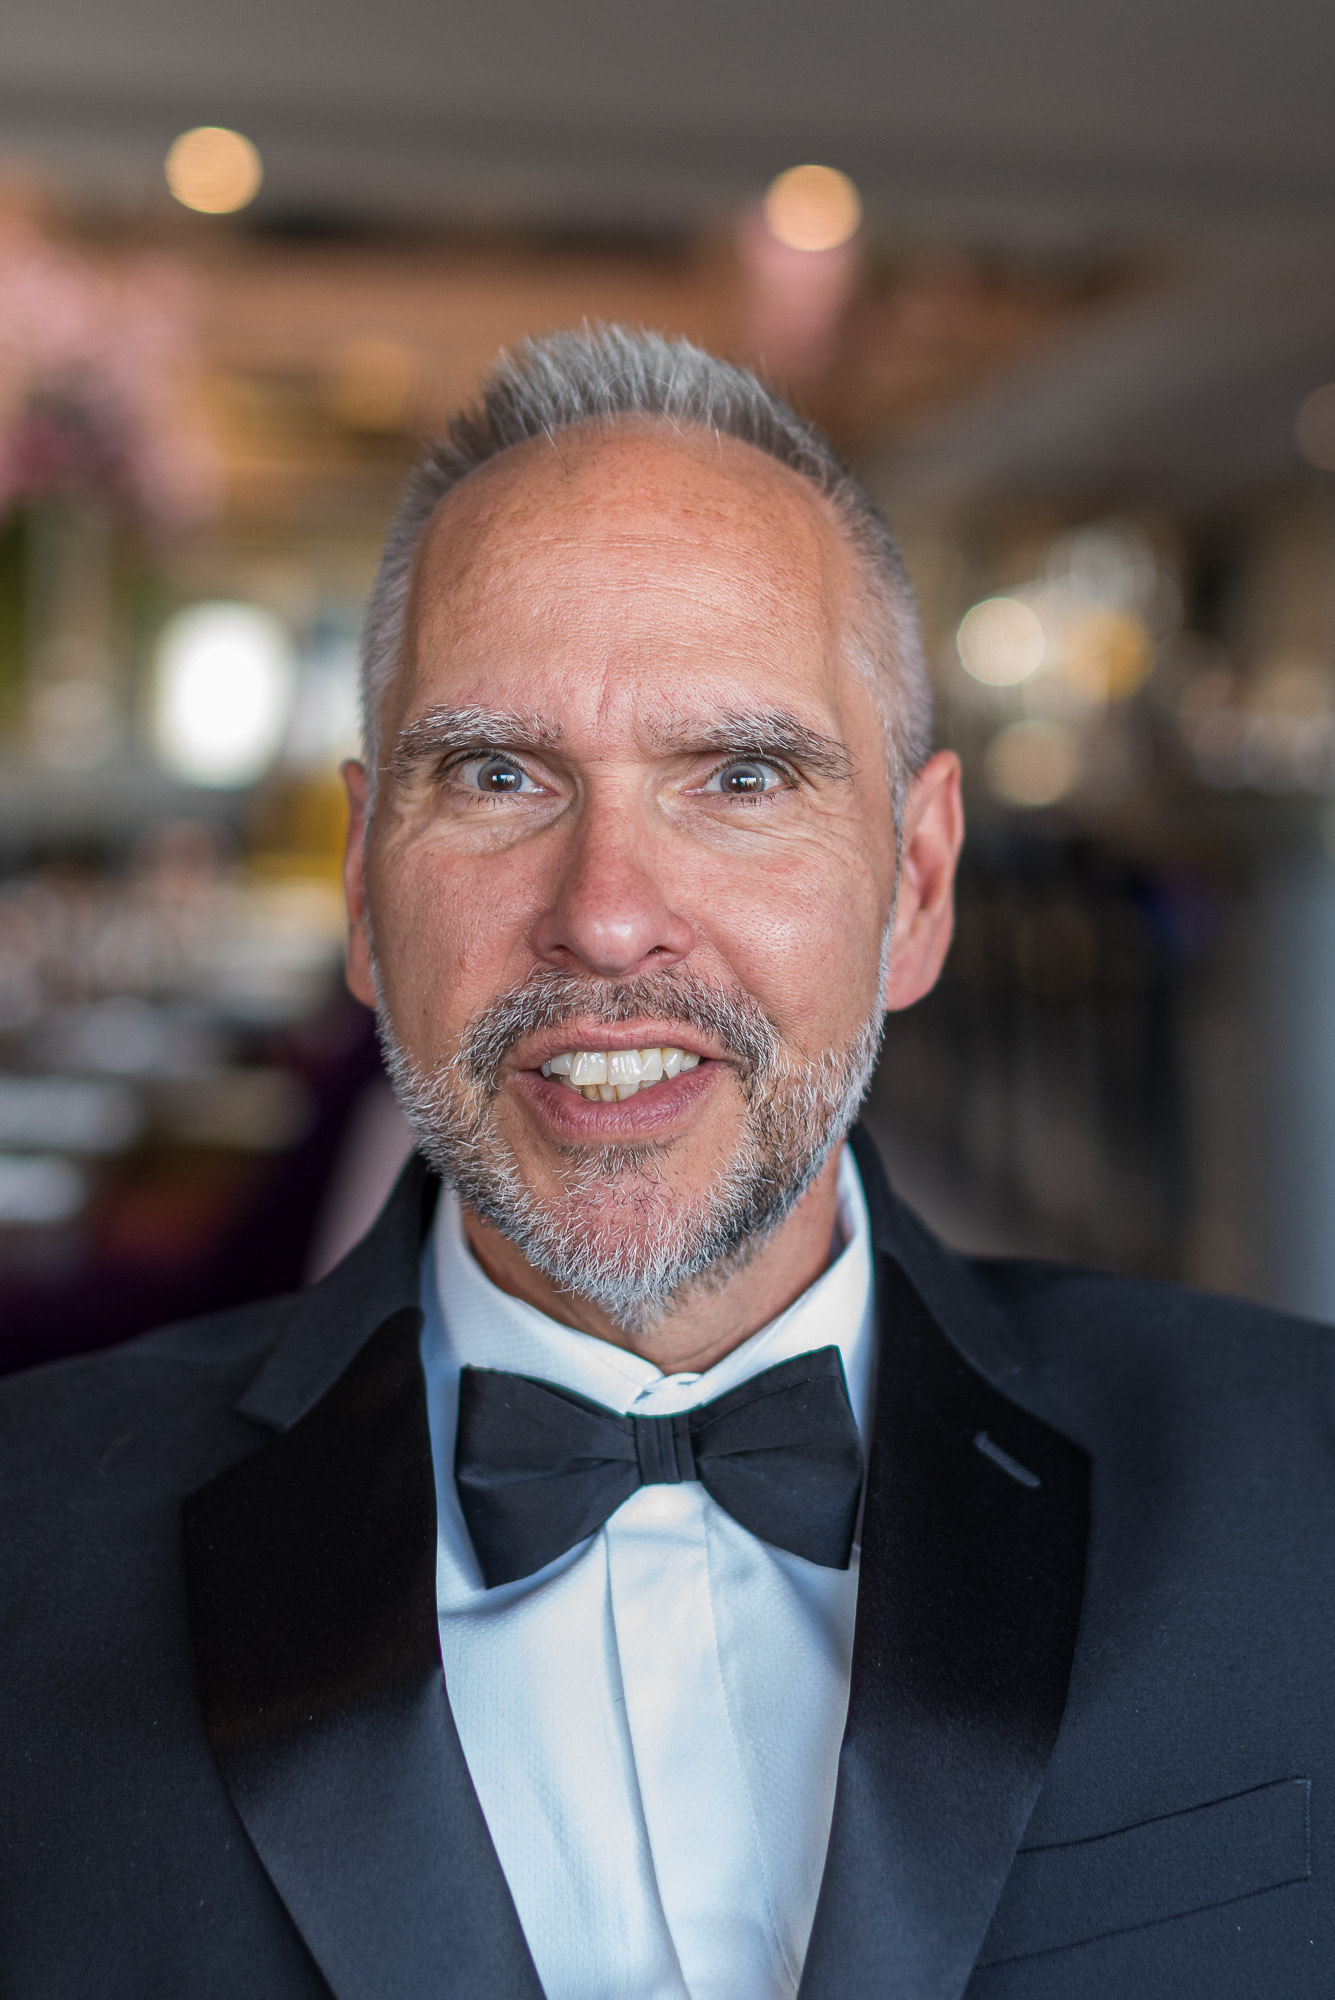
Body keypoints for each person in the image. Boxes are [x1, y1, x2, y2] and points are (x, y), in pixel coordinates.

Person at [0, 327, 1329, 2000]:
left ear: (918, 885)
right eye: (497, 774)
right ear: (361, 887)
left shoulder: (1305, 1485)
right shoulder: (28, 1552)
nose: (609, 914)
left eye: (742, 775)